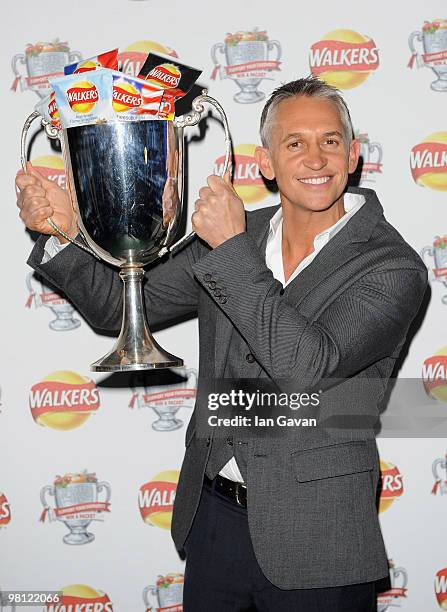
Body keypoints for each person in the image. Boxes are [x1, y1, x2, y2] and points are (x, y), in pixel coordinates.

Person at [16, 76, 427, 611]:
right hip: (214, 522)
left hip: (318, 539)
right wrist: (63, 232)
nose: (315, 158)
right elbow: (120, 309)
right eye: (294, 143)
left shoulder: (391, 265)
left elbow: (306, 368)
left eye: (330, 141)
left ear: (352, 155)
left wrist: (232, 249)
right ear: (265, 162)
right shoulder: (235, 235)